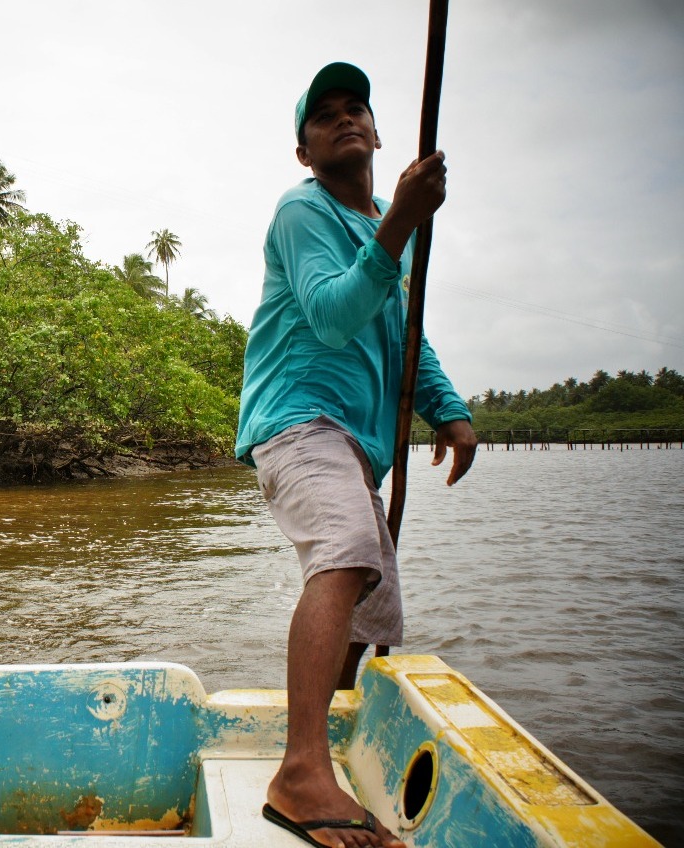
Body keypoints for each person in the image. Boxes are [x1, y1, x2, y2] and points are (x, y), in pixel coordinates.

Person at [234, 62, 477, 848]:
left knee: (373, 607)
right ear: (304, 151)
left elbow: (404, 333)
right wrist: (400, 222)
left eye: (356, 108)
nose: (344, 118)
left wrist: (449, 411)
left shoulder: (385, 230)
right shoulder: (301, 211)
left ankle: (326, 746)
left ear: (376, 133)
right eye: (324, 114)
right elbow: (334, 315)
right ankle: (301, 771)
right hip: (297, 421)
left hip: (356, 445)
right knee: (344, 551)